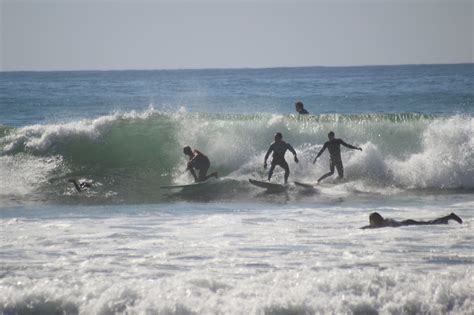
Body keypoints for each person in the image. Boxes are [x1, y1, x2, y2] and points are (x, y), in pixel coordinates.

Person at [361, 212, 463, 229]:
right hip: (407, 222)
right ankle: (447, 218)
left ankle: (449, 216)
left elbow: (372, 227)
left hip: (409, 224)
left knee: (429, 223)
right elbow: (369, 227)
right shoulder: (382, 223)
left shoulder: (386, 223)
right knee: (429, 223)